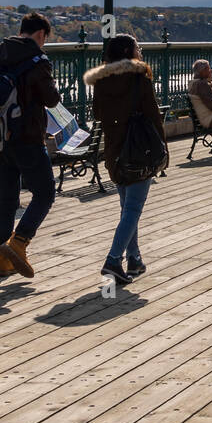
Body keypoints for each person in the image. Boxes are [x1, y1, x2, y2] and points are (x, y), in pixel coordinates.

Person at [84, 34, 166, 285]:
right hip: (139, 148)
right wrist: (161, 146)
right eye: (138, 48)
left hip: (114, 149)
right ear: (130, 52)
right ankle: (112, 260)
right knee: (132, 209)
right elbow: (152, 112)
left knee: (126, 208)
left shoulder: (101, 79)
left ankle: (134, 259)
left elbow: (97, 112)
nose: (140, 51)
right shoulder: (139, 76)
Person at [0, 11, 61, 279]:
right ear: (41, 34)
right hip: (27, 137)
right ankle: (18, 242)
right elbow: (51, 100)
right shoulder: (37, 60)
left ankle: (2, 261)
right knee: (45, 193)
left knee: (7, 199)